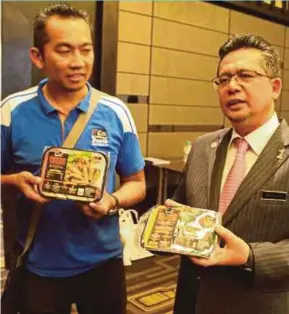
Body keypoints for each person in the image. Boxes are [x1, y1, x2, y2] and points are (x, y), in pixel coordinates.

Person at [1, 3, 146, 314]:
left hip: (103, 262)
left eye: (86, 50)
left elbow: (136, 183)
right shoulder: (12, 110)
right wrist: (14, 181)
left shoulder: (116, 112)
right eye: (64, 50)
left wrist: (112, 201)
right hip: (38, 264)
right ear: (37, 56)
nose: (78, 62)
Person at [166, 34, 289, 314]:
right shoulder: (201, 147)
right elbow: (181, 211)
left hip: (260, 304)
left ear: (275, 87)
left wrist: (250, 255)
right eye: (223, 79)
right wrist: (164, 227)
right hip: (194, 300)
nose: (232, 86)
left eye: (245, 75)